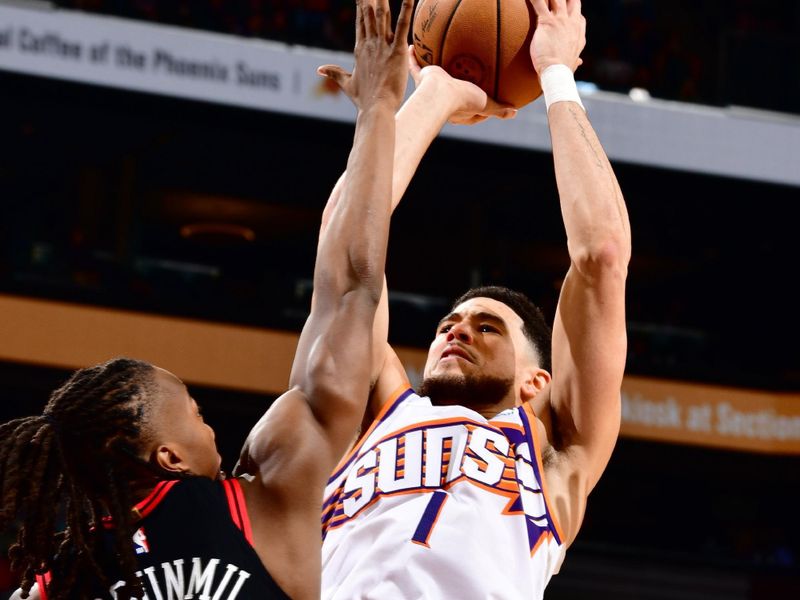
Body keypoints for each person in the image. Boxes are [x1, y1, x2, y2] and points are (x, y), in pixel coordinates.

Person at [0, 0, 414, 598]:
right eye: (194, 411)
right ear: (168, 457)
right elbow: (352, 291)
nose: (209, 422)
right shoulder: (264, 492)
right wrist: (379, 110)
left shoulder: (58, 580)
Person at [320, 0, 631, 598]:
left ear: (537, 382)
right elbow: (348, 243)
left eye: (487, 328)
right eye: (448, 323)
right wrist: (435, 93)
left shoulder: (559, 456)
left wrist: (555, 73)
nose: (456, 331)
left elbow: (603, 257)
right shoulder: (374, 409)